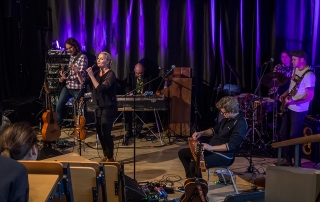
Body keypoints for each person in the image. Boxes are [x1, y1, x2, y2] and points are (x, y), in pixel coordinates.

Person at [178, 96, 248, 178]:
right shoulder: (227, 118)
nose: (222, 114)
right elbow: (214, 130)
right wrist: (201, 133)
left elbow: (231, 146)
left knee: (195, 164)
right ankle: (191, 182)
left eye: (224, 112)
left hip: (224, 156)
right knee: (182, 153)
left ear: (232, 111)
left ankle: (198, 187)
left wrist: (210, 147)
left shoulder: (240, 124)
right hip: (211, 150)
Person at [279, 50, 316, 166]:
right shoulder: (295, 70)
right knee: (283, 133)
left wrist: (294, 101)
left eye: (294, 59)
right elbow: (292, 86)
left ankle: (297, 163)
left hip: (299, 110)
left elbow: (310, 96)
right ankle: (287, 159)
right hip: (289, 107)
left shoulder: (309, 75)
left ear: (302, 60)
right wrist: (285, 94)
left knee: (294, 136)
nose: (292, 61)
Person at [87, 52, 117, 162]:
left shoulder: (111, 74)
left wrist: (91, 76)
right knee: (100, 133)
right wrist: (78, 73)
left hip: (108, 107)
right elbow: (84, 83)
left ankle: (110, 157)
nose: (98, 60)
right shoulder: (96, 73)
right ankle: (105, 155)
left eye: (101, 59)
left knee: (106, 133)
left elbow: (100, 89)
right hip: (99, 107)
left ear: (108, 62)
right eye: (98, 58)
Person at [56, 37, 88, 127]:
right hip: (68, 87)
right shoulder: (71, 57)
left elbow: (81, 74)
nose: (69, 50)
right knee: (58, 106)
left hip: (77, 88)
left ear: (75, 46)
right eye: (67, 49)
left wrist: (67, 78)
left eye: (70, 48)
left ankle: (80, 128)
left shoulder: (83, 57)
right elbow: (70, 73)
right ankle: (58, 126)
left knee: (80, 110)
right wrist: (63, 77)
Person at [123, 63, 154, 142]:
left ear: (144, 71)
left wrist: (146, 93)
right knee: (127, 111)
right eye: (137, 73)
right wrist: (129, 92)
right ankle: (129, 131)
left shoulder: (149, 76)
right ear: (134, 71)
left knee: (142, 112)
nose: (140, 75)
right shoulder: (130, 76)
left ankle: (138, 132)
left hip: (142, 100)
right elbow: (127, 87)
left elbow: (151, 90)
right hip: (132, 98)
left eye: (141, 73)